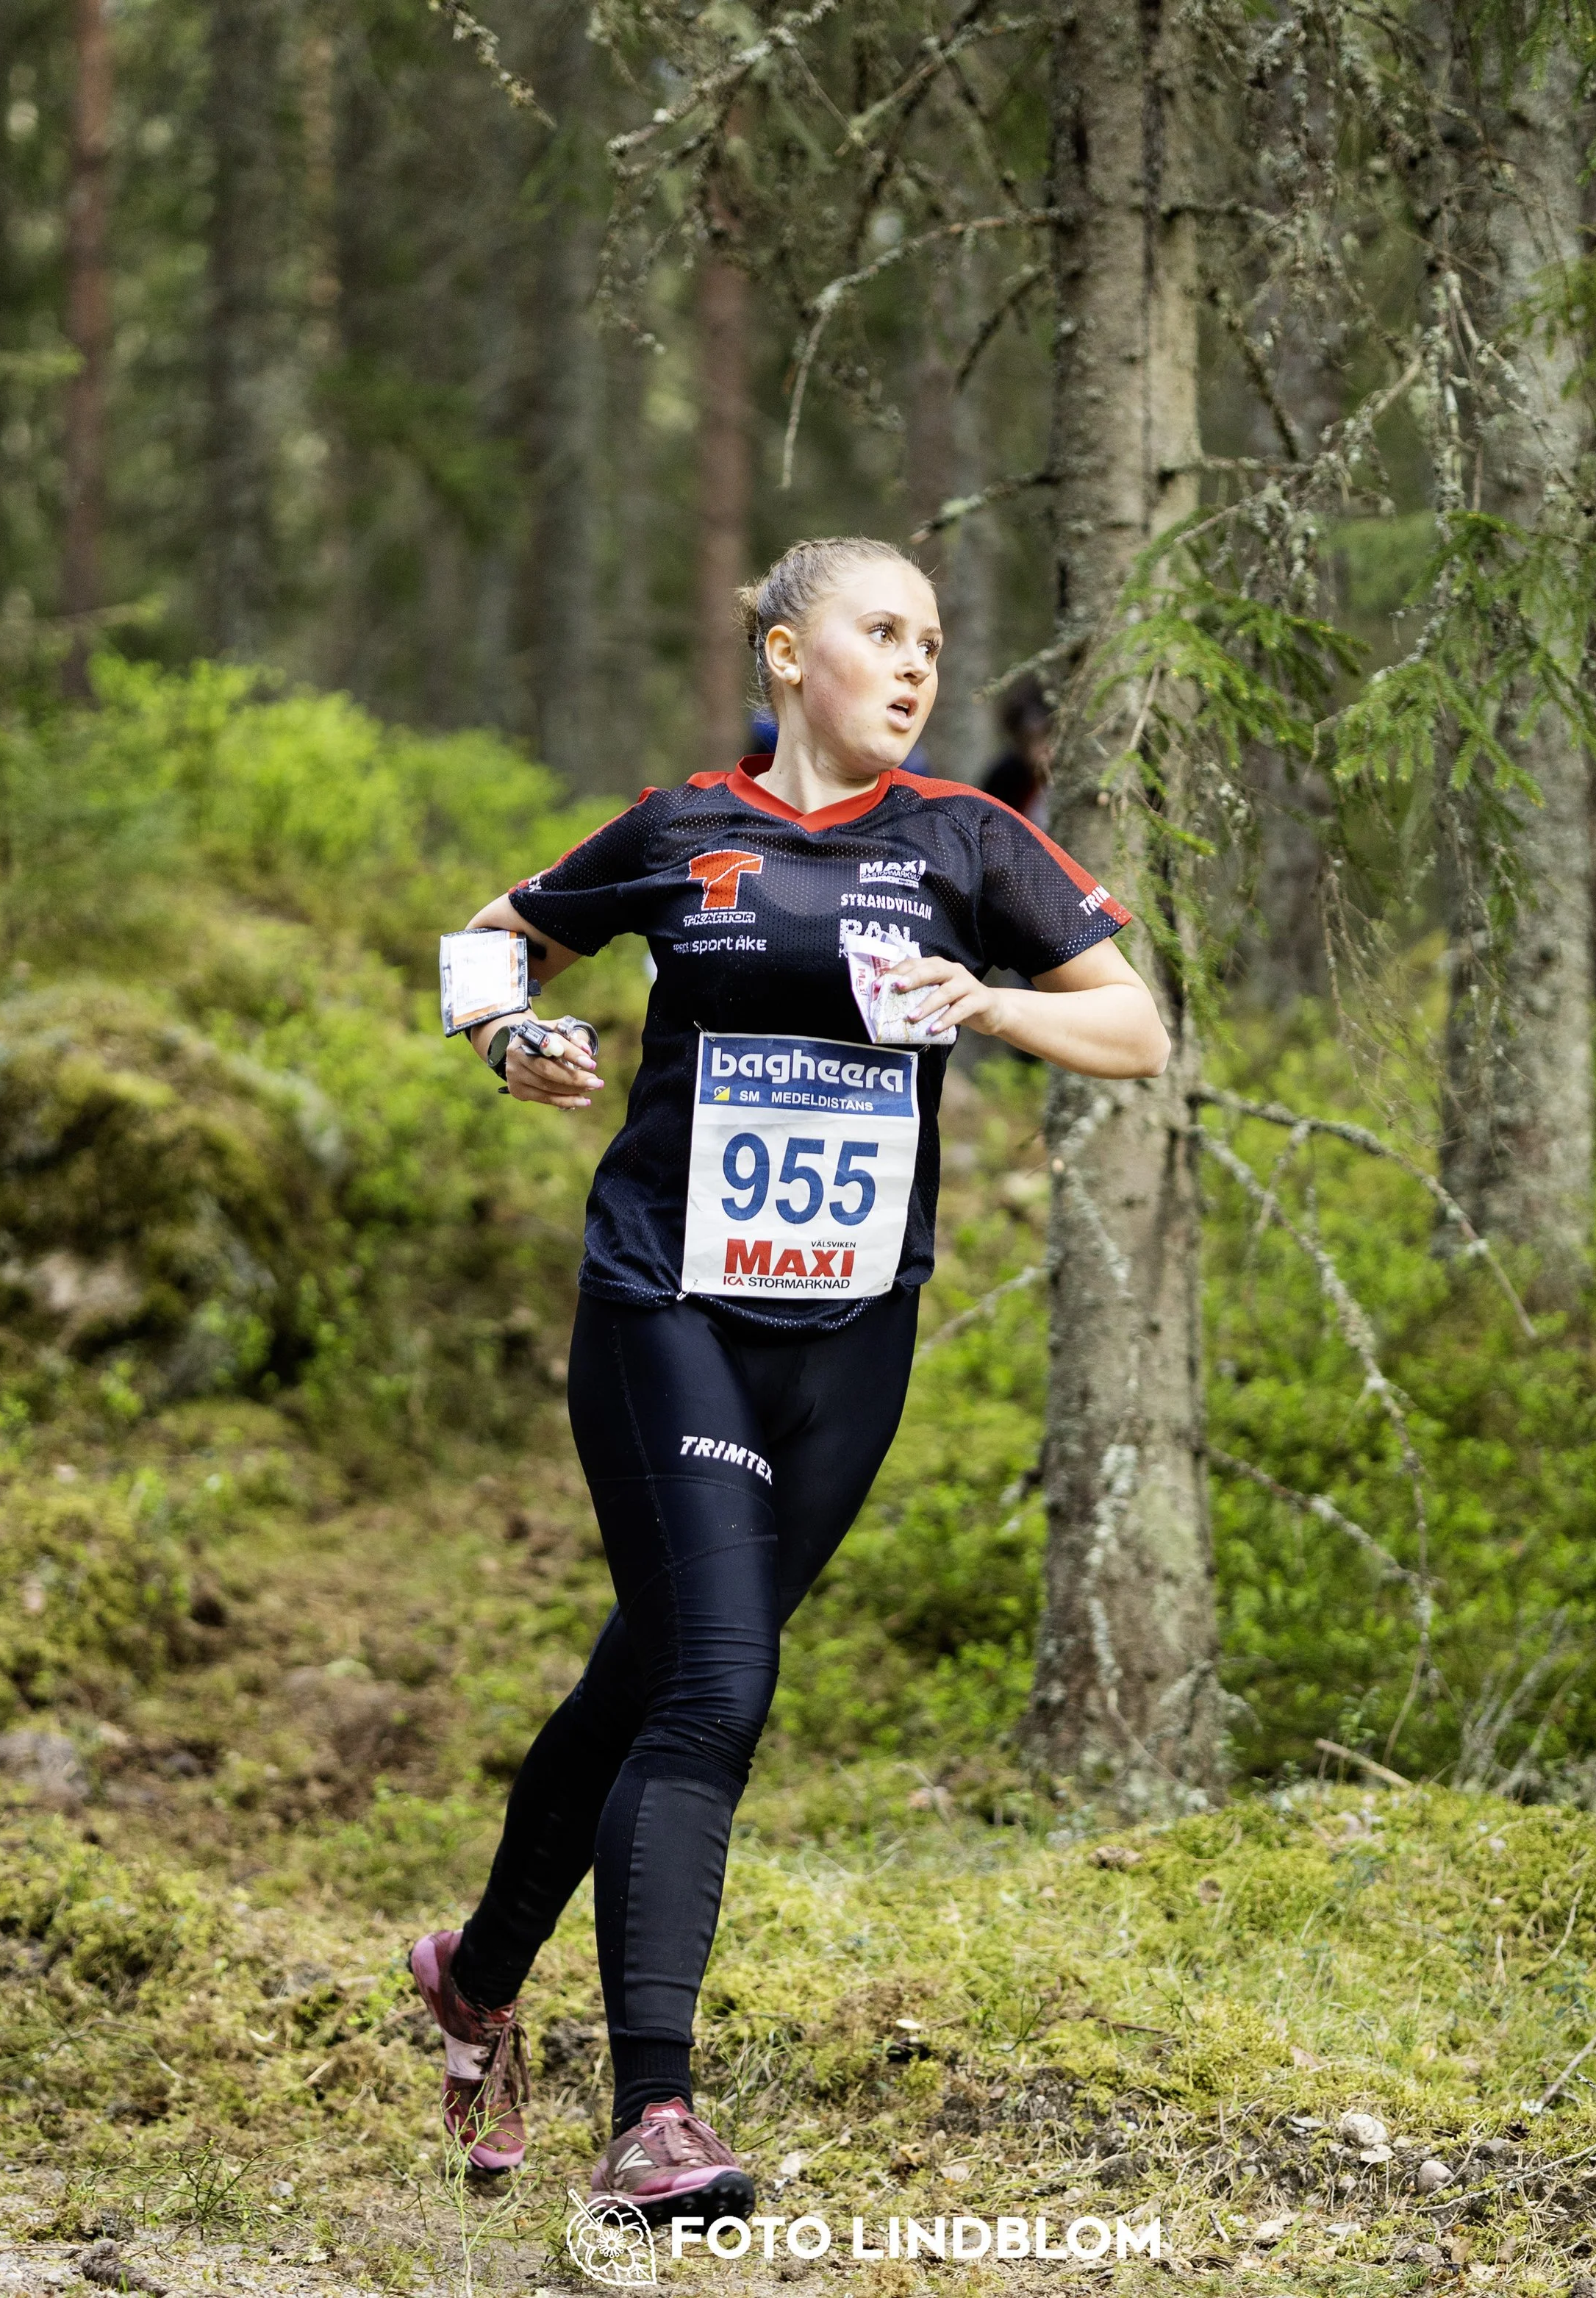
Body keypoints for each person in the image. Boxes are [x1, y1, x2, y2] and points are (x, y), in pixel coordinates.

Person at [409, 535, 1169, 2222]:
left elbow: (1138, 1027)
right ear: (782, 654)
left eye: (933, 642)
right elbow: (488, 942)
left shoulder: (967, 840)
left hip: (852, 1343)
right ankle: (655, 2115)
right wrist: (507, 1037)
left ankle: (474, 1975)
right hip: (662, 1306)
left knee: (651, 1678)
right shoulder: (685, 828)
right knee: (716, 1691)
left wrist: (991, 999)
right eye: (879, 632)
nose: (916, 666)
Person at [978, 671, 1053, 827]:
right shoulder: (1006, 781)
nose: (1036, 754)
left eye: (1045, 737)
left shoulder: (1080, 775)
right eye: (1027, 742)